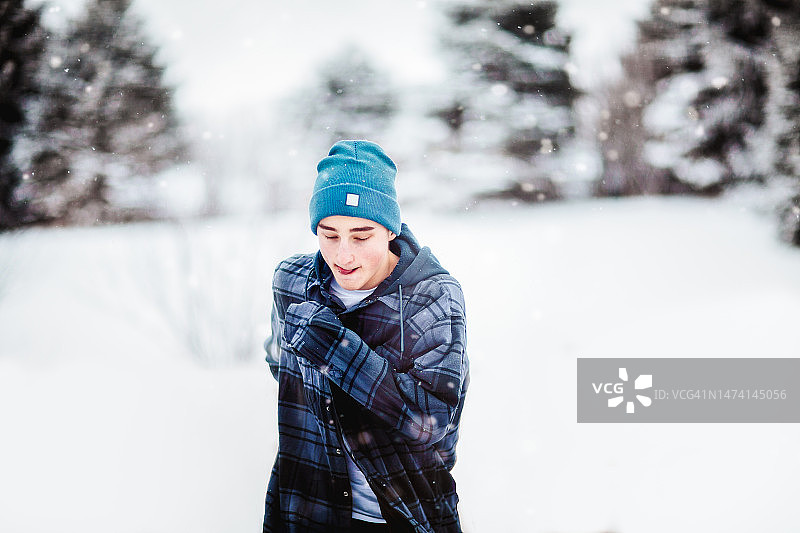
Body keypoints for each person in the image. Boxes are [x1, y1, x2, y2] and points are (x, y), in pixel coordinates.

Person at [263, 140, 469, 533]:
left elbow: (432, 423)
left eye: (361, 236)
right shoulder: (290, 282)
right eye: (329, 235)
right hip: (307, 509)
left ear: (390, 230)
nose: (343, 255)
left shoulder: (432, 297)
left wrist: (336, 351)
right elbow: (280, 362)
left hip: (403, 515)